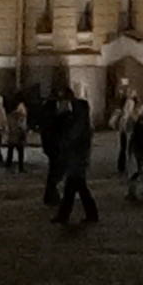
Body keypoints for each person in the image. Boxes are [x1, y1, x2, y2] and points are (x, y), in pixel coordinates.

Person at [53, 90, 98, 226]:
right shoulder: (82, 123)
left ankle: (70, 215)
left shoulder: (80, 124)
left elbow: (72, 138)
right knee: (74, 188)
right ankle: (69, 215)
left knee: (75, 187)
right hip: (78, 159)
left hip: (77, 159)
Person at [5, 94, 29, 173]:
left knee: (11, 148)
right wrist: (23, 131)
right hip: (18, 132)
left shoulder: (11, 114)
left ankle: (9, 164)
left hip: (13, 131)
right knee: (20, 150)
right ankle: (20, 167)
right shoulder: (21, 112)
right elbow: (21, 123)